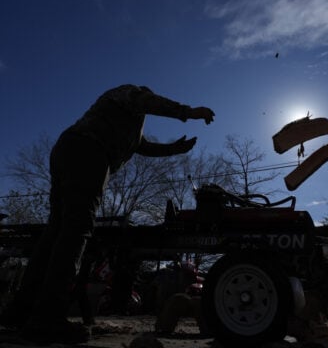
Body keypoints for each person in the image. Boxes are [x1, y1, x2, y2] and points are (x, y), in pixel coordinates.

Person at [0, 84, 214, 344]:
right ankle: (47, 319)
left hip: (70, 150)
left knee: (56, 232)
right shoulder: (129, 93)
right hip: (89, 151)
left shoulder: (129, 125)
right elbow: (148, 101)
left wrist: (174, 150)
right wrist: (189, 112)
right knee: (76, 231)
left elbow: (143, 147)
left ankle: (20, 312)